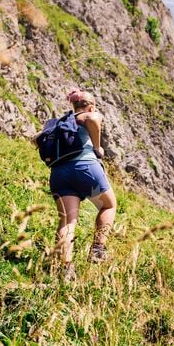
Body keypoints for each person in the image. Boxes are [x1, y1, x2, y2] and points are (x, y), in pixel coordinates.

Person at [49, 89, 117, 281]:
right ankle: (98, 250)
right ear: (90, 104)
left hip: (59, 175)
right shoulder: (88, 113)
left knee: (68, 221)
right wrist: (97, 147)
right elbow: (94, 120)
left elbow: (37, 139)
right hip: (85, 170)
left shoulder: (60, 123)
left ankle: (66, 269)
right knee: (108, 205)